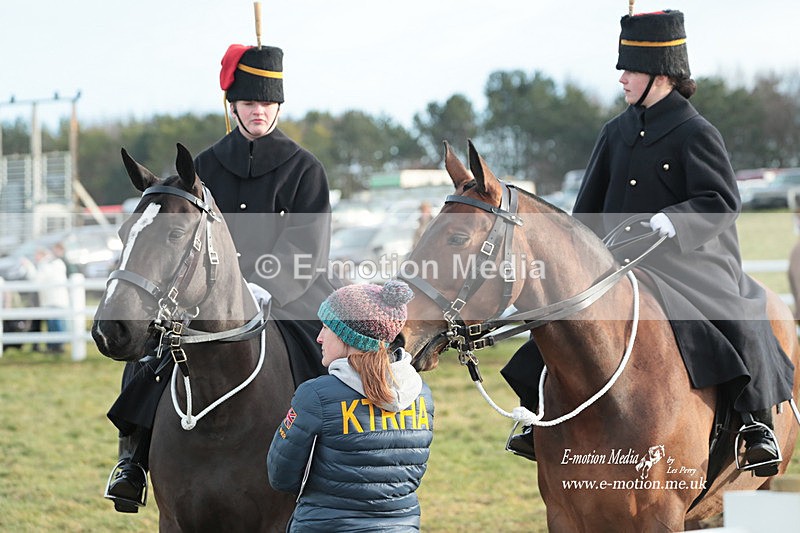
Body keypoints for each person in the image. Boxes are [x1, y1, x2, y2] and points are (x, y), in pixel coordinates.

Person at [505, 9, 795, 477]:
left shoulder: (696, 131)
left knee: (742, 320)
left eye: (630, 69)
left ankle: (756, 424)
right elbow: (587, 212)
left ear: (660, 74)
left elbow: (722, 200)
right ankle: (539, 420)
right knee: (557, 325)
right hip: (619, 263)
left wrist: (674, 220)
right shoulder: (615, 132)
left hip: (691, 262)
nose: (621, 78)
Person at [104, 41, 340, 512]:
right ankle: (132, 458)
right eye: (250, 103)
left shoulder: (304, 168)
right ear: (232, 106)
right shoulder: (204, 166)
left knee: (331, 357)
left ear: (278, 106)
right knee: (148, 354)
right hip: (206, 295)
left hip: (288, 290)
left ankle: (333, 461)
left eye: (268, 103)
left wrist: (264, 285)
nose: (259, 111)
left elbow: (307, 244)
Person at [267, 280, 434, 531]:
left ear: (347, 336)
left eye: (326, 327)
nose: (319, 338)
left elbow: (281, 475)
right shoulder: (422, 394)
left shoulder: (316, 395)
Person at [34, 247, 69, 353]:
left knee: (55, 324)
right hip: (56, 299)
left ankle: (56, 347)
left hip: (52, 299)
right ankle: (54, 346)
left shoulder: (46, 264)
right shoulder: (57, 263)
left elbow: (37, 280)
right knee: (54, 324)